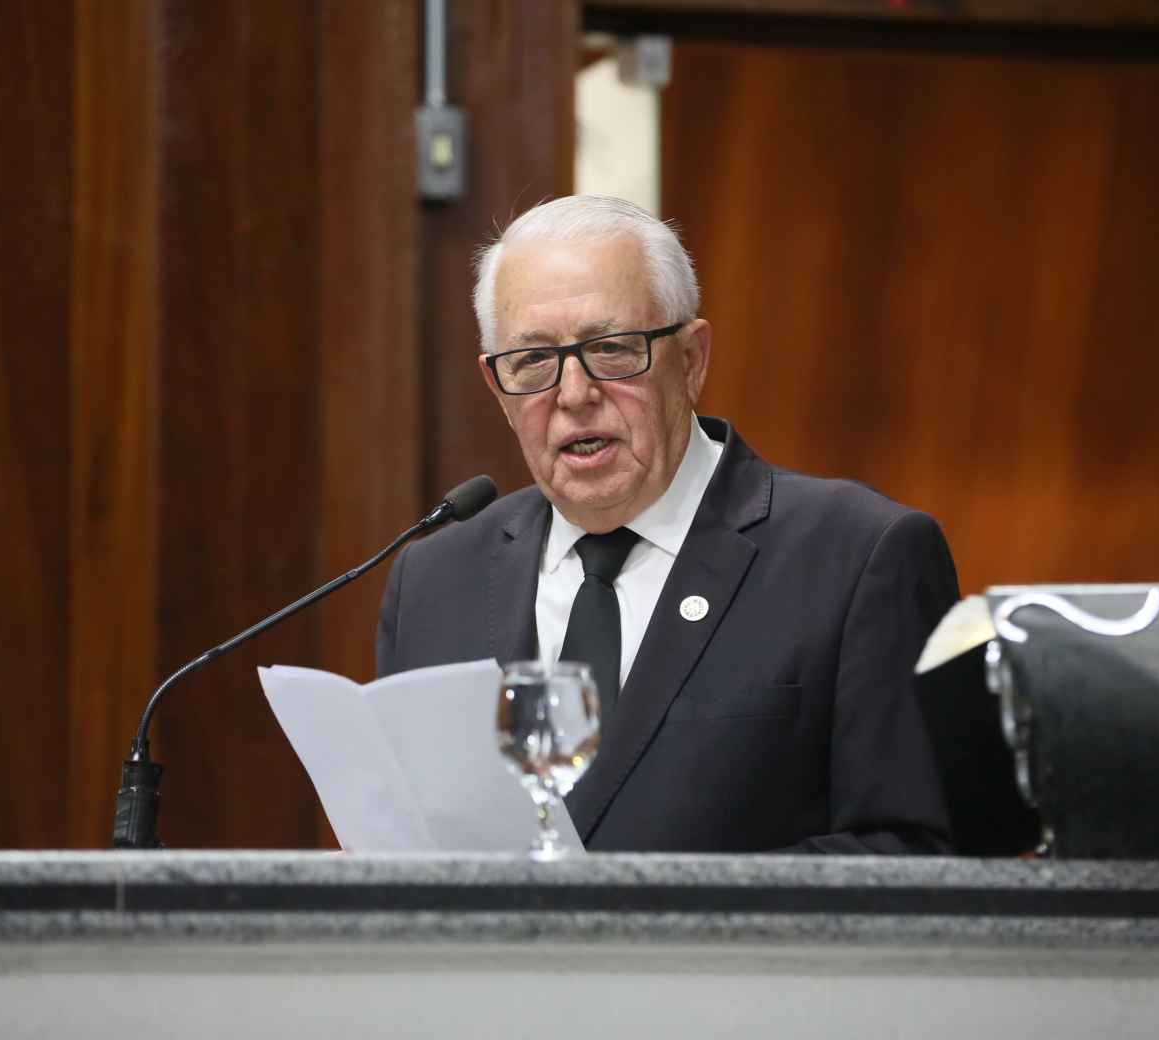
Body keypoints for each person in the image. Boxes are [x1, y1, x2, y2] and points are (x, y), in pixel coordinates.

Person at [377, 195, 956, 853]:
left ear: (690, 359)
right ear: (497, 388)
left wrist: (659, 907)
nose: (573, 394)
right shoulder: (433, 583)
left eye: (612, 349)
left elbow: (916, 857)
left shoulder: (858, 558)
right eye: (533, 361)